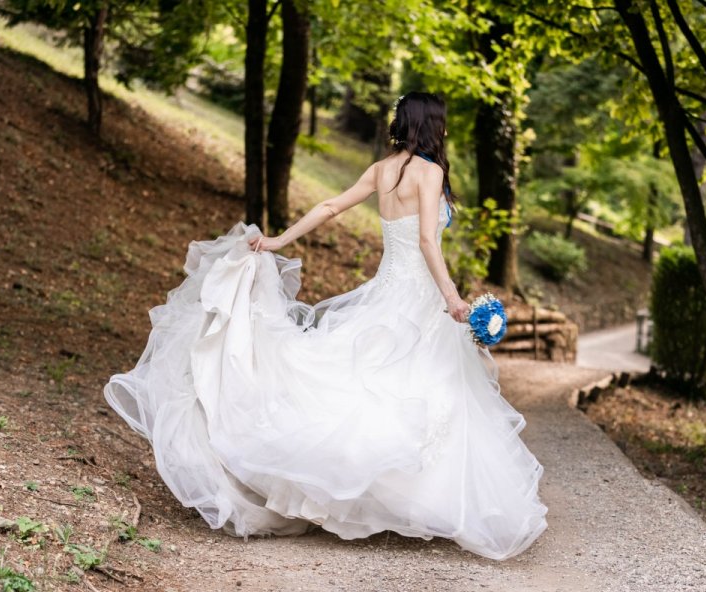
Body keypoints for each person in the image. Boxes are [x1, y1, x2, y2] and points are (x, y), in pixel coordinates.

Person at [104, 92, 548, 560]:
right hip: (418, 296)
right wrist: (453, 298)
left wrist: (279, 239)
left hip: (386, 292)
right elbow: (425, 241)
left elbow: (331, 207)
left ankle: (370, 489)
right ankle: (422, 498)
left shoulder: (382, 170)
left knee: (374, 386)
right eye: (443, 122)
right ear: (432, 125)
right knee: (423, 390)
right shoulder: (430, 171)